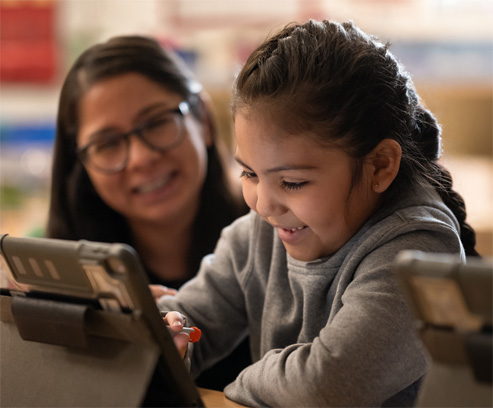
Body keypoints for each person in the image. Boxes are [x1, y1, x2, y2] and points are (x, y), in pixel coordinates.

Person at [155, 19, 479, 407]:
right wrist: (165, 331)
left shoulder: (419, 252)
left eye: (292, 182)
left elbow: (327, 386)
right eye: (250, 174)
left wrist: (238, 384)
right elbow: (191, 322)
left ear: (380, 166)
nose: (264, 205)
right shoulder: (263, 233)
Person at [46, 35, 250, 389]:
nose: (141, 158)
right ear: (81, 166)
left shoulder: (281, 234)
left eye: (156, 122)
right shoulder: (62, 276)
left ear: (202, 119)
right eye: (108, 143)